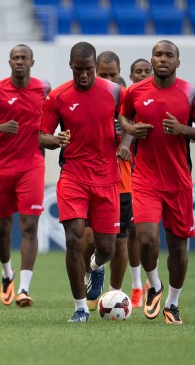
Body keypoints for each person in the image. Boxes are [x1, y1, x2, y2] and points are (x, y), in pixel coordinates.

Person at [118, 40, 195, 325]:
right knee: (147, 238)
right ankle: (154, 285)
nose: (163, 59)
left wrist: (183, 129)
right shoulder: (135, 91)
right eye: (158, 54)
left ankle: (172, 303)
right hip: (145, 178)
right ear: (152, 59)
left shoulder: (192, 94)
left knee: (177, 247)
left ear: (177, 61)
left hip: (179, 181)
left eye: (168, 55)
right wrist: (130, 129)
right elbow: (123, 116)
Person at [39, 42, 123, 323]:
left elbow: (131, 123)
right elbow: (42, 136)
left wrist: (128, 139)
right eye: (79, 70)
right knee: (74, 238)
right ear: (71, 66)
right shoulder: (58, 97)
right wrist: (55, 139)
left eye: (89, 69)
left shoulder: (114, 92)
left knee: (108, 248)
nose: (84, 75)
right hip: (73, 176)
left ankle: (96, 266)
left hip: (108, 178)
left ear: (96, 67)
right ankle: (80, 307)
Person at [0, 44, 50, 308]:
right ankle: (7, 272)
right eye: (15, 58)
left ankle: (23, 288)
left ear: (32, 62)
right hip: (1, 167)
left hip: (32, 164)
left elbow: (53, 119)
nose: (20, 61)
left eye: (24, 58)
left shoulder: (44, 89)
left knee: (29, 227)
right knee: (3, 227)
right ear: (9, 61)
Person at [80, 51, 134, 307]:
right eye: (104, 74)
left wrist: (126, 140)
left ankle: (113, 295)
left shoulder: (124, 99)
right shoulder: (90, 98)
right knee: (88, 239)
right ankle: (89, 276)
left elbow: (136, 126)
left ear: (120, 71)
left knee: (120, 242)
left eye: (113, 74)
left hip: (122, 183)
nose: (109, 78)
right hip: (89, 180)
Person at [121, 57, 153, 306]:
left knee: (140, 234)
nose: (142, 75)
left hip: (141, 176)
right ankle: (134, 286)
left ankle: (144, 283)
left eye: (146, 71)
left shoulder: (152, 101)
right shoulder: (127, 98)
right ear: (130, 76)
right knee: (123, 236)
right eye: (138, 72)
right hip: (119, 176)